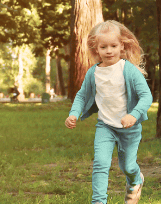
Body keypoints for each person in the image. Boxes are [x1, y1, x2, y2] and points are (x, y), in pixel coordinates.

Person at [64, 20, 153, 204]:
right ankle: (98, 201)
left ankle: (135, 180)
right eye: (103, 46)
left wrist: (134, 115)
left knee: (127, 166)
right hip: (105, 126)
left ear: (122, 46)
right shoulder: (93, 73)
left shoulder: (128, 70)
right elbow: (81, 96)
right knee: (100, 164)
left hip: (129, 128)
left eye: (113, 45)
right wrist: (74, 113)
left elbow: (146, 96)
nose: (109, 50)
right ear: (96, 49)